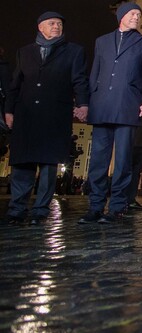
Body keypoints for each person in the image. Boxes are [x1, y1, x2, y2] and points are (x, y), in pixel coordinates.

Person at [4, 12, 89, 225]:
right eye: (52, 23)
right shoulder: (24, 52)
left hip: (55, 115)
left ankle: (40, 210)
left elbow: (79, 80)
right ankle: (17, 208)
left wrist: (83, 104)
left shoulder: (74, 51)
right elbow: (15, 85)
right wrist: (9, 111)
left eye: (60, 24)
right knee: (23, 164)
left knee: (49, 165)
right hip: (27, 115)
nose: (56, 27)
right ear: (40, 27)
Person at [80, 2, 142, 224]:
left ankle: (117, 206)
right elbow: (94, 72)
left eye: (139, 14)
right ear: (121, 16)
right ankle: (95, 206)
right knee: (98, 160)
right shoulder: (102, 42)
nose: (137, 17)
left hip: (127, 105)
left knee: (124, 160)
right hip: (102, 105)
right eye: (133, 13)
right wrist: (85, 102)